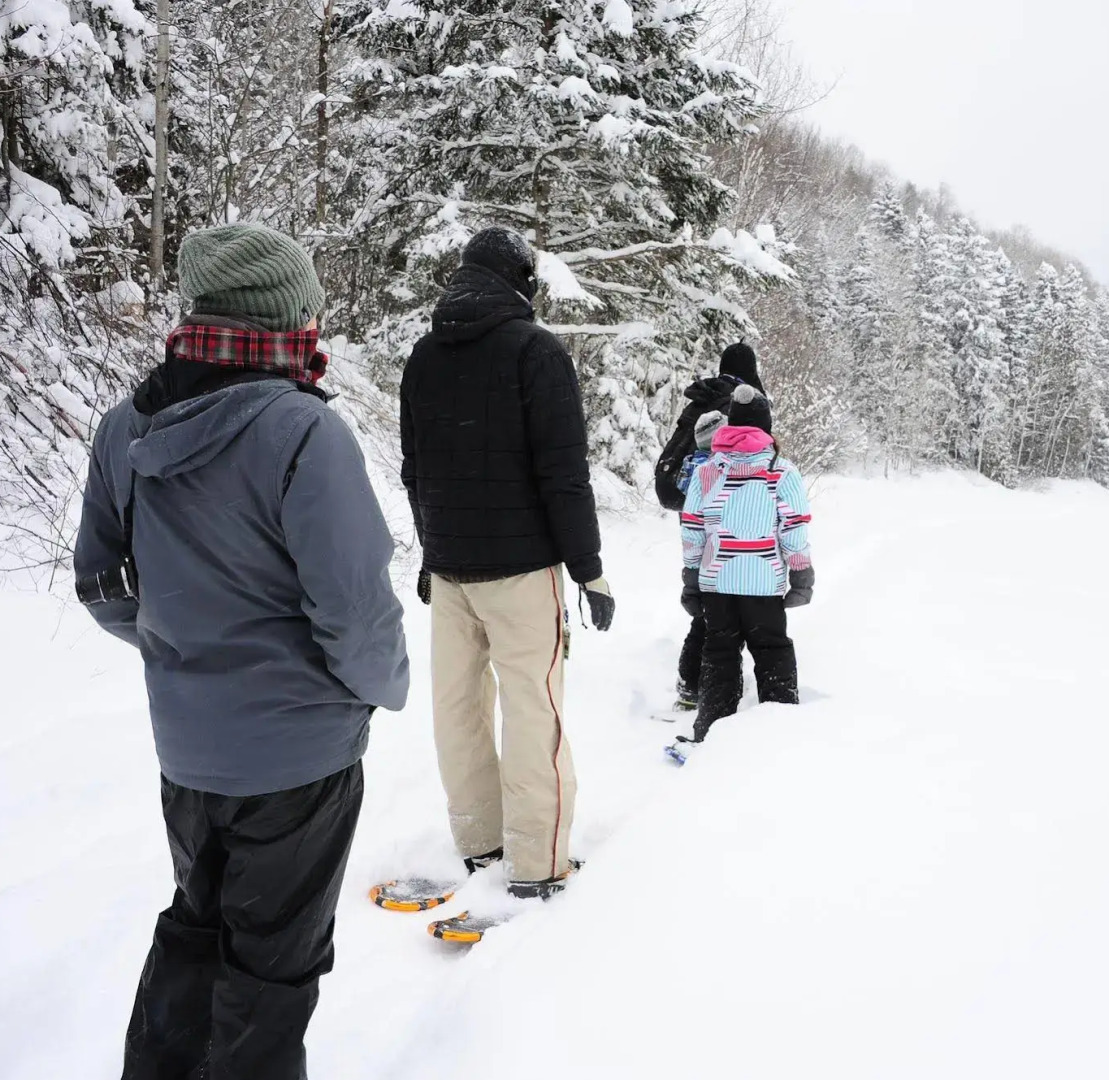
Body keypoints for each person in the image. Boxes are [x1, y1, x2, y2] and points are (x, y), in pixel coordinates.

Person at [73, 223, 410, 1080]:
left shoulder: (124, 426)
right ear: (285, 312)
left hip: (188, 751)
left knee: (198, 928)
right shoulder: (302, 431)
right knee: (272, 969)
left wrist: (175, 650)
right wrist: (376, 690)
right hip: (300, 759)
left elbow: (103, 584)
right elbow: (354, 607)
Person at [401, 225, 613, 900]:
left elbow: (416, 471)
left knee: (456, 707)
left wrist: (431, 548)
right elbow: (563, 474)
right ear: (520, 283)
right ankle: (537, 861)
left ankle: (480, 843)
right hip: (522, 571)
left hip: (452, 568)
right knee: (533, 708)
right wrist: (588, 568)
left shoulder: (424, 357)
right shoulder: (536, 352)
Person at [677, 384, 814, 748]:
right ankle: (779, 731)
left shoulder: (707, 472)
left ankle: (709, 734)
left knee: (719, 655)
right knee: (772, 651)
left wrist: (691, 577)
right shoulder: (780, 472)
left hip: (717, 583)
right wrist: (801, 575)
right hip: (762, 585)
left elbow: (692, 529)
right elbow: (794, 528)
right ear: (766, 427)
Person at [653, 342, 764, 710]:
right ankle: (702, 682)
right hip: (725, 509)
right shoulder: (744, 402)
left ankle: (690, 682)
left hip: (692, 502)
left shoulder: (703, 397)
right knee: (721, 601)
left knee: (705, 594)